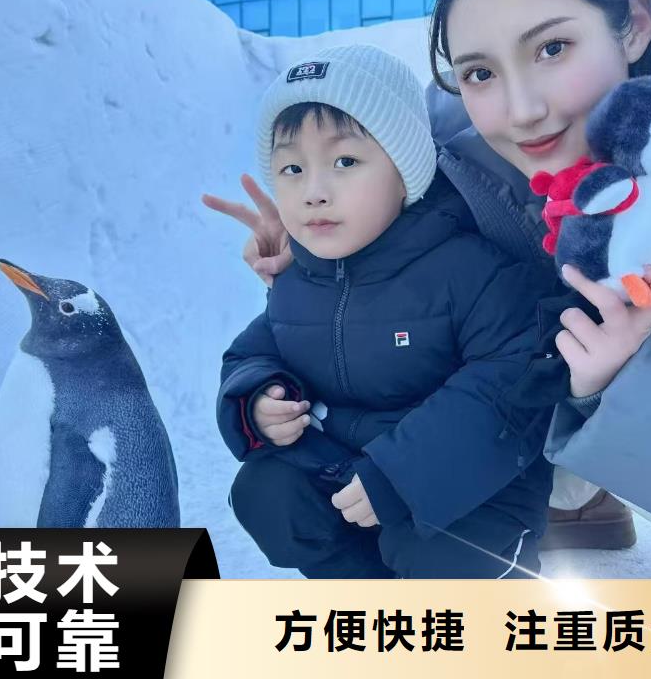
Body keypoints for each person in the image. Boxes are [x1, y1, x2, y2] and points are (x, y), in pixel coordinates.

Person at [205, 0, 651, 577]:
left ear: (633, 23)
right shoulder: (460, 148)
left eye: (552, 48)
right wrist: (322, 240)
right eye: (480, 71)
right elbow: (399, 241)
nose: (521, 110)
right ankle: (579, 501)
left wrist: (622, 382)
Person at [214, 44, 558, 579]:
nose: (313, 192)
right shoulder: (300, 277)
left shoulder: (467, 267)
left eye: (345, 162)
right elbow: (256, 351)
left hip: (466, 486)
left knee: (442, 558)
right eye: (292, 168)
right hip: (350, 474)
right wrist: (259, 400)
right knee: (268, 492)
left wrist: (402, 476)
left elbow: (509, 383)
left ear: (405, 171)